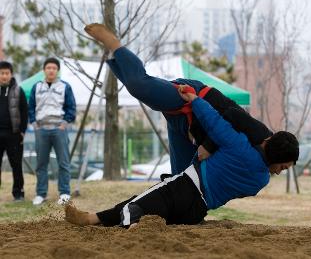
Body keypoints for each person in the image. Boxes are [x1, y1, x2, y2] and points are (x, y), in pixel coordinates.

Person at [65, 86, 298, 227]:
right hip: (196, 211)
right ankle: (93, 219)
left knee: (135, 208)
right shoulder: (260, 181)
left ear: (269, 141)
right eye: (283, 167)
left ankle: (110, 224)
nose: (278, 171)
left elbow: (214, 122)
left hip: (184, 188)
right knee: (147, 204)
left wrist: (194, 99)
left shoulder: (237, 144)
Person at [83, 23, 296, 176]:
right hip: (191, 98)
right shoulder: (260, 133)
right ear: (275, 150)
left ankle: (113, 57)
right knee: (140, 86)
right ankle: (115, 45)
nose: (279, 172)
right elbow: (231, 115)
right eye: (283, 167)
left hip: (187, 128)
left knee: (182, 179)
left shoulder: (258, 163)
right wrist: (210, 147)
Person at [28, 58, 76, 205]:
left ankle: (64, 193)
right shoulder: (36, 87)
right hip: (41, 129)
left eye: (54, 68)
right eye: (48, 67)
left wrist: (65, 123)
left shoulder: (65, 87)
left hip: (59, 129)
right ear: (44, 70)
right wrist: (34, 124)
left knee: (63, 162)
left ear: (57, 70)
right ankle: (41, 194)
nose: (51, 70)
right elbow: (31, 107)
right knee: (41, 163)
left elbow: (71, 107)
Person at [0, 61, 28, 201]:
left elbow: (24, 112)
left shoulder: (18, 90)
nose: (4, 76)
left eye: (6, 73)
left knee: (16, 165)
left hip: (14, 134)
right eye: (1, 73)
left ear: (11, 74)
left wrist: (22, 131)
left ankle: (18, 193)